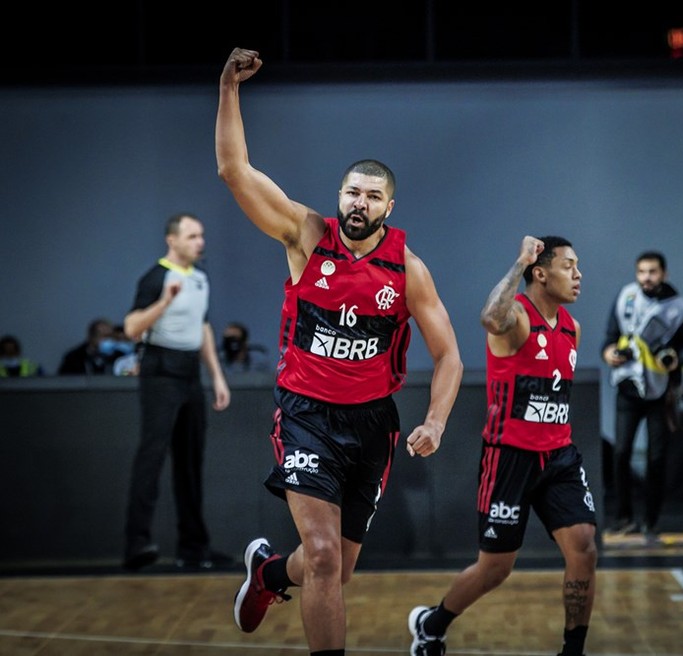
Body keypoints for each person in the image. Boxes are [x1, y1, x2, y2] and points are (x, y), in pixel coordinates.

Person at [216, 47, 464, 655]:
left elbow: (450, 355)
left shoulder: (407, 270)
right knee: (325, 558)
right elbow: (234, 170)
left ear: (389, 208)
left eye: (372, 197)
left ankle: (270, 575)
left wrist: (435, 421)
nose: (359, 203)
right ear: (340, 195)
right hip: (306, 416)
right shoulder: (305, 235)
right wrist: (228, 88)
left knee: (337, 568)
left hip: (373, 425)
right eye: (352, 192)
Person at [408, 235, 597, 656]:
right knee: (495, 568)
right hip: (509, 457)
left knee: (583, 547)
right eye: (569, 265)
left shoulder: (572, 328)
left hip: (560, 457)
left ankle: (573, 650)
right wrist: (518, 264)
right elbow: (489, 317)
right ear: (541, 273)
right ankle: (432, 623)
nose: (579, 274)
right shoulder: (517, 319)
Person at [122, 212, 232, 571]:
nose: (199, 242)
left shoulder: (200, 279)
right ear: (172, 240)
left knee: (190, 462)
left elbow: (202, 329)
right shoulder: (156, 277)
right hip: (159, 371)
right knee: (151, 457)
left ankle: (193, 547)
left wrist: (216, 377)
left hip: (189, 374)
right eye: (192, 236)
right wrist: (164, 303)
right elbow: (131, 327)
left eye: (201, 236)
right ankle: (137, 544)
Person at [600, 250, 683, 539]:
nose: (647, 277)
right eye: (642, 271)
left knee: (657, 457)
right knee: (621, 453)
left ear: (664, 273)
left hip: (660, 392)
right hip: (628, 388)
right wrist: (609, 354)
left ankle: (650, 519)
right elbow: (609, 338)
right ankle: (624, 517)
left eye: (653, 271)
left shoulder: (678, 307)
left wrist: (677, 358)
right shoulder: (626, 297)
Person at [58, 317, 132, 375]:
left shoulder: (118, 356)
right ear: (92, 337)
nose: (109, 340)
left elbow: (124, 373)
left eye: (111, 336)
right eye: (105, 336)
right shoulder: (74, 358)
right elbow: (64, 380)